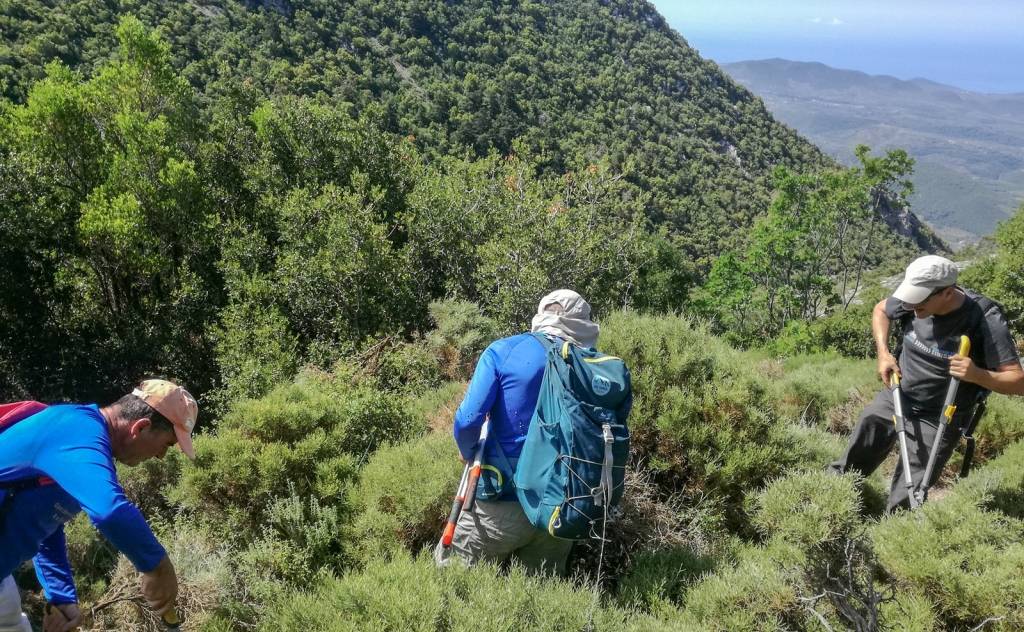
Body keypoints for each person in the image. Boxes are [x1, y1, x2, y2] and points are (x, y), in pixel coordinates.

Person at [829, 255, 1024, 511]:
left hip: (941, 414)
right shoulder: (913, 301)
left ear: (947, 292)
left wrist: (977, 375)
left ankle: (893, 537)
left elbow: (1018, 381)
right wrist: (883, 353)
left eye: (920, 299)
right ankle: (831, 499)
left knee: (909, 493)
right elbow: (881, 310)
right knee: (862, 442)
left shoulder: (984, 318)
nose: (910, 305)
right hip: (900, 393)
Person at [0, 379, 197, 632]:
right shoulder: (77, 432)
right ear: (141, 427)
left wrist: (61, 596)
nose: (161, 456)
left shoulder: (81, 444)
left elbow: (45, 522)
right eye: (167, 444)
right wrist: (158, 567)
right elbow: (111, 511)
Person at [434, 289, 601, 575]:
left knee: (453, 584)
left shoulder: (505, 350)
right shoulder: (594, 366)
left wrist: (466, 450)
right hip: (562, 509)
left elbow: (468, 419)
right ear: (583, 322)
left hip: (498, 505)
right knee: (540, 601)